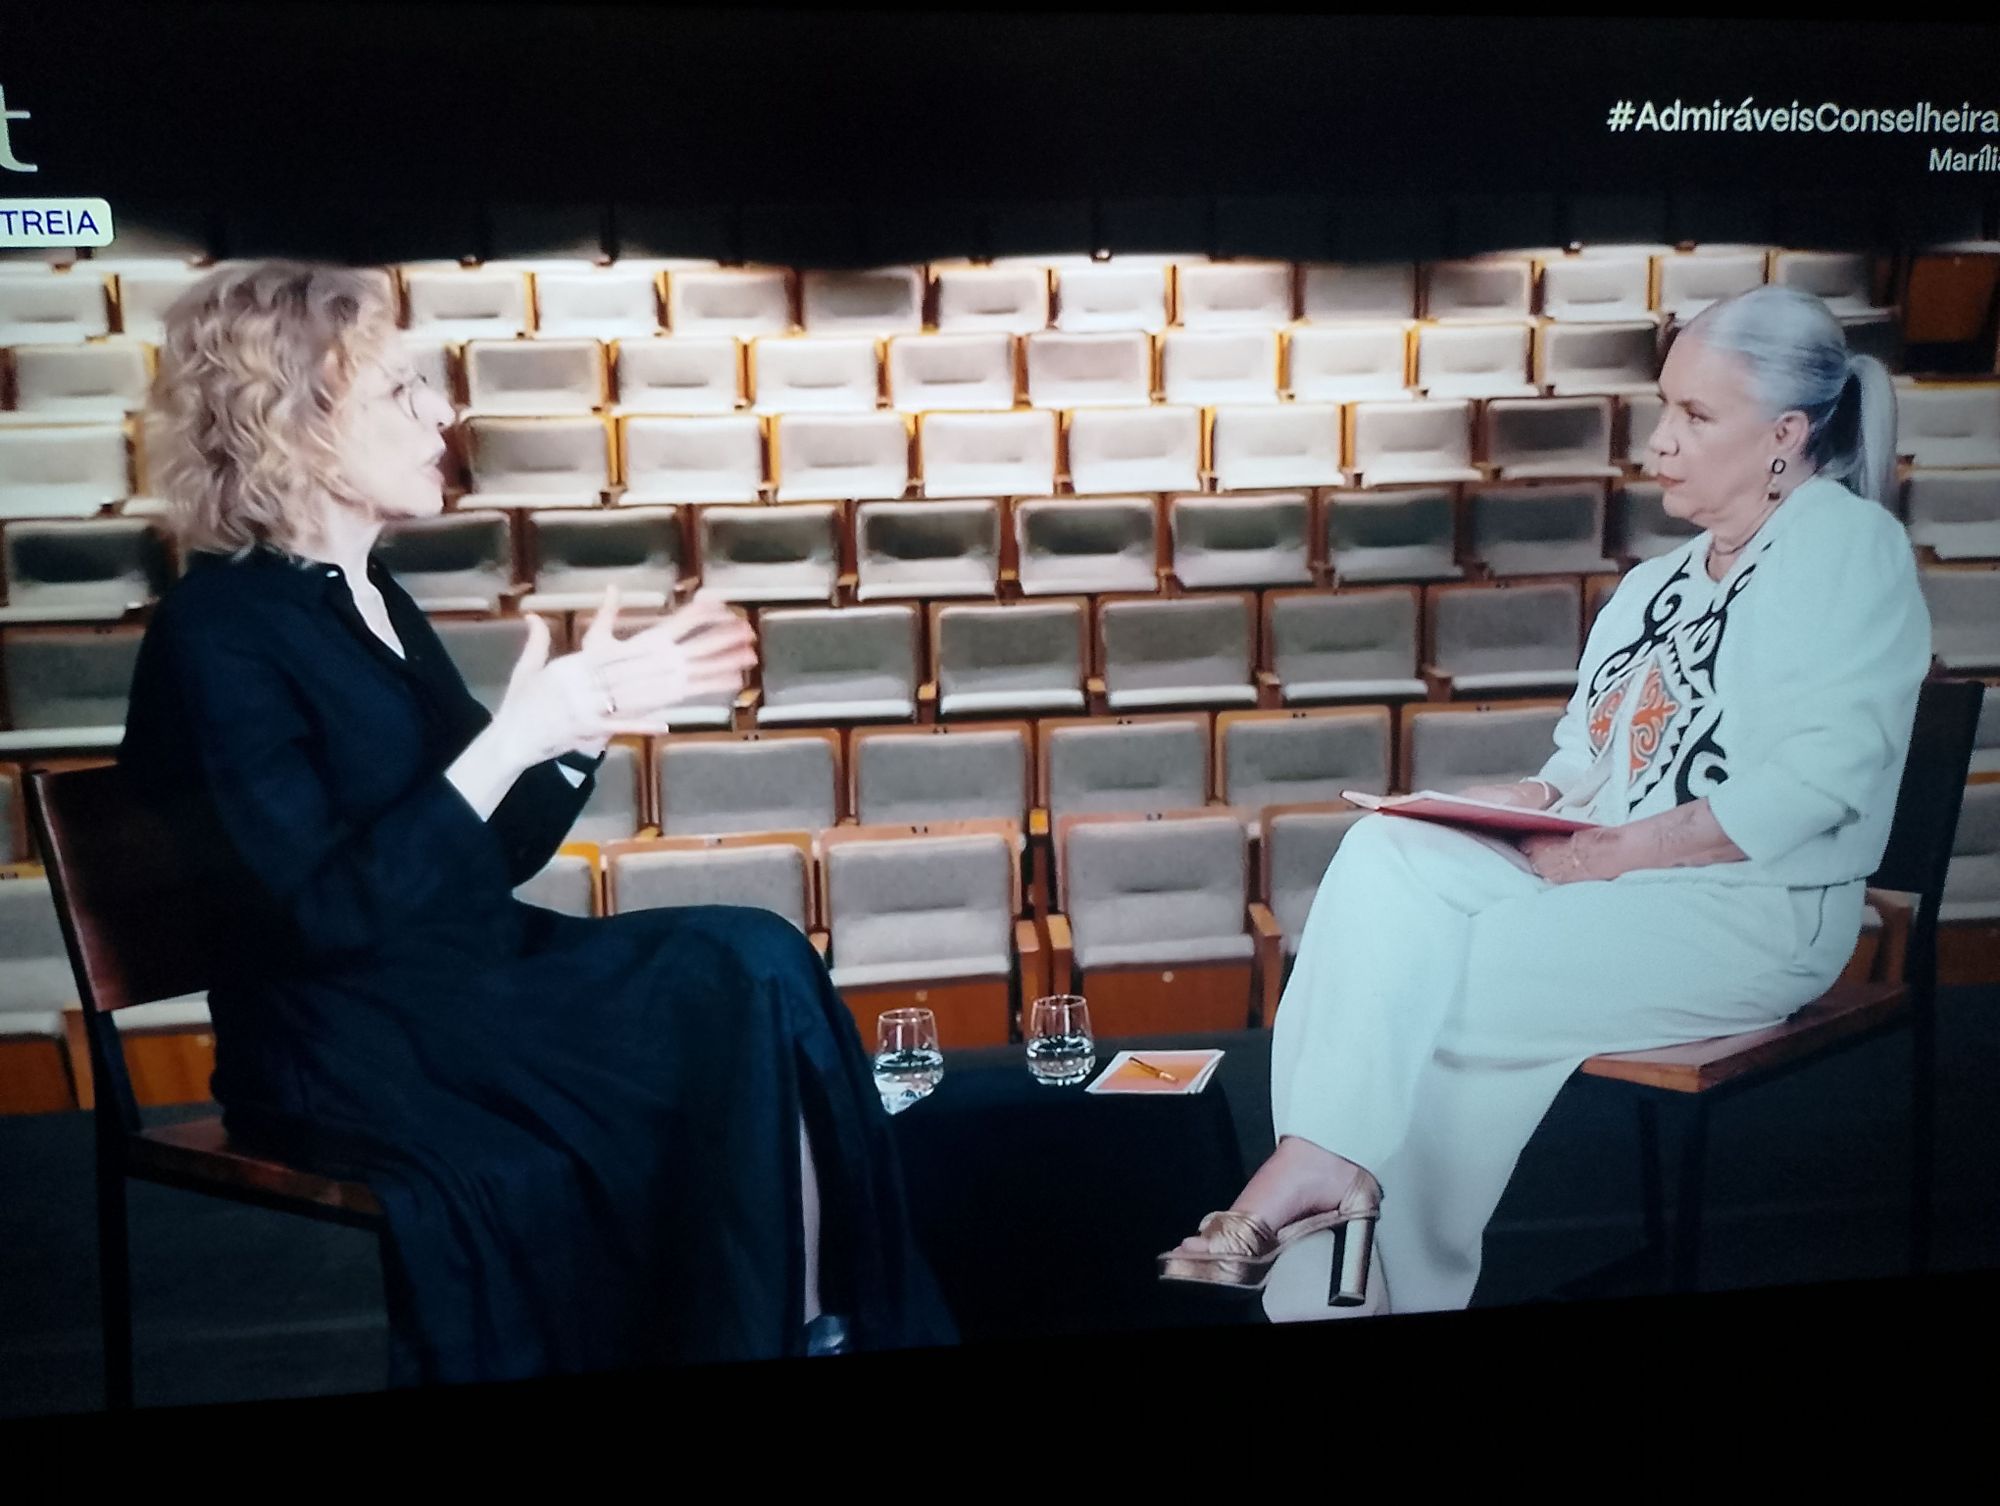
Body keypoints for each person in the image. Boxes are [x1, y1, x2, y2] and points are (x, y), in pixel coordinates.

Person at [118, 261, 954, 1382]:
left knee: (751, 958)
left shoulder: (374, 599)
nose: (444, 413)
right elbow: (318, 913)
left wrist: (577, 735)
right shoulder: (215, 632)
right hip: (343, 1035)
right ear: (299, 420)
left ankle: (807, 1326)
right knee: (739, 973)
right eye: (403, 392)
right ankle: (791, 1332)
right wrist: (512, 738)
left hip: (463, 978)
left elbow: (482, 857)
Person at [1159, 283, 1933, 1318]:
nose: (1657, 443)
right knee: (1385, 861)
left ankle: (1348, 1280)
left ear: (1783, 435)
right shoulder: (1653, 584)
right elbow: (1588, 760)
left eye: (1694, 417)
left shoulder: (1843, 546)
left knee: (1409, 992)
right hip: (1618, 890)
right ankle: (1325, 1175)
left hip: (1756, 913)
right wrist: (1511, 800)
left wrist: (1614, 851)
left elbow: (1813, 786)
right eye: (1663, 407)